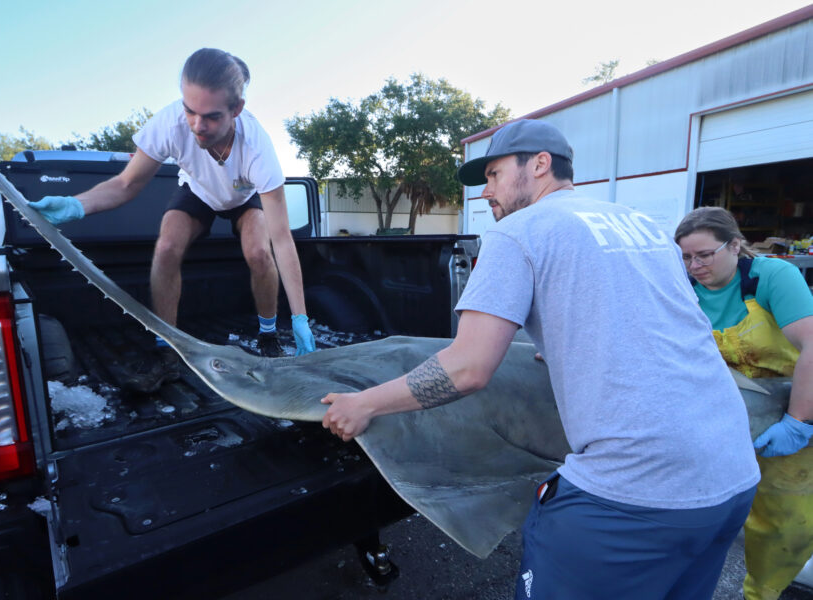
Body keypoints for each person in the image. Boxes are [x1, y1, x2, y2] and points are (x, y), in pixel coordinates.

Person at [321, 119, 760, 599]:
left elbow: (467, 368)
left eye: (493, 175)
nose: (487, 192)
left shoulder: (520, 231)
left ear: (540, 164)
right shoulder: (641, 225)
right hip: (732, 474)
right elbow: (665, 326)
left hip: (636, 493)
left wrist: (364, 404)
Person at [28, 49, 316, 391]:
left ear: (236, 110)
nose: (197, 125)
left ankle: (268, 336)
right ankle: (167, 350)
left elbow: (282, 238)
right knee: (166, 247)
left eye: (210, 116)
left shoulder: (257, 149)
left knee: (259, 252)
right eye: (190, 110)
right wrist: (75, 205)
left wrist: (299, 317)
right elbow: (126, 184)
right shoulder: (169, 124)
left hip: (242, 195)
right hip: (197, 191)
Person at [675, 207, 813, 600]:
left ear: (735, 245)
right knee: (705, 510)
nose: (694, 265)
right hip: (724, 415)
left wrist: (799, 422)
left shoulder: (771, 277)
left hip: (792, 405)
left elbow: (812, 346)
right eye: (685, 257)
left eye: (704, 255)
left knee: (786, 522)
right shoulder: (684, 288)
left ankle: (764, 593)